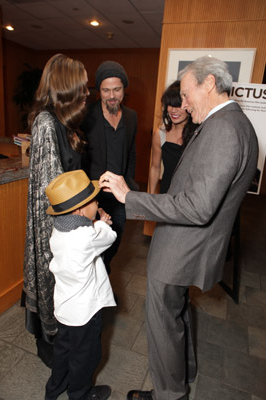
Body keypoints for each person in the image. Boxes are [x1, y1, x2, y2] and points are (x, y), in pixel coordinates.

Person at [98, 56, 259, 400]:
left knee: (162, 322)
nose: (182, 104)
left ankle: (169, 393)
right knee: (177, 311)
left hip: (181, 247)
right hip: (188, 244)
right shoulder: (235, 124)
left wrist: (131, 198)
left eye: (187, 94)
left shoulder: (224, 129)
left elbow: (198, 206)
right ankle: (184, 373)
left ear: (209, 85)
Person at [22, 53, 89, 367]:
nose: (87, 92)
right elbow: (53, 196)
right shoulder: (47, 123)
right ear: (67, 87)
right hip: (58, 237)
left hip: (69, 231)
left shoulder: (64, 122)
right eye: (82, 87)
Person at [44, 169, 116, 400]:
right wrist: (103, 222)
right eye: (94, 200)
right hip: (86, 312)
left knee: (63, 349)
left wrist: (93, 221)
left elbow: (84, 229)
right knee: (86, 356)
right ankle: (80, 394)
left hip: (64, 308)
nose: (98, 202)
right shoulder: (87, 236)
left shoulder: (58, 229)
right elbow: (108, 237)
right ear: (80, 209)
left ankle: (55, 388)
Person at [81, 60, 138, 274]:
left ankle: (102, 279)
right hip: (92, 196)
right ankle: (97, 290)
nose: (112, 95)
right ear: (99, 91)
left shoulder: (131, 117)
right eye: (106, 90)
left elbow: (132, 153)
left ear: (124, 89)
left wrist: (128, 184)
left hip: (119, 196)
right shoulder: (86, 115)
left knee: (114, 243)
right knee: (92, 247)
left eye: (117, 89)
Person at [149, 80, 197, 194]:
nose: (173, 110)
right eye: (170, 105)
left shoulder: (198, 134)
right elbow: (155, 168)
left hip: (190, 197)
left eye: (178, 105)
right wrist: (150, 198)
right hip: (166, 194)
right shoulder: (160, 133)